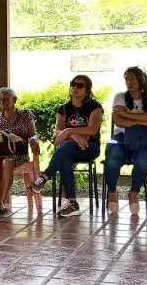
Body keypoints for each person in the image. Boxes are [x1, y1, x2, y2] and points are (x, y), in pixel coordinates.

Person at [30, 75, 104, 218]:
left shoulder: (95, 107)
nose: (75, 87)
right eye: (73, 84)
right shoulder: (64, 108)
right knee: (65, 155)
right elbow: (58, 133)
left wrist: (69, 131)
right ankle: (72, 203)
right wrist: (74, 135)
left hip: (90, 147)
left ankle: (45, 177)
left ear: (87, 90)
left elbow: (92, 130)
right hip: (70, 147)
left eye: (80, 86)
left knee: (65, 149)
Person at [103, 67, 147, 216]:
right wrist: (143, 121)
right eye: (127, 79)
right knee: (112, 161)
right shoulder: (120, 97)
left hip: (144, 140)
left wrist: (127, 114)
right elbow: (118, 121)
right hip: (121, 138)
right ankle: (112, 192)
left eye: (132, 79)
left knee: (143, 162)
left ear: (141, 80)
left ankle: (134, 193)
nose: (129, 82)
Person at [0, 87, 39, 218]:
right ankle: (0, 206)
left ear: (14, 100)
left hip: (18, 153)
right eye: (0, 100)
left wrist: (34, 140)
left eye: (6, 99)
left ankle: (1, 203)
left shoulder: (25, 114)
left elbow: (33, 134)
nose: (2, 102)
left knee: (7, 162)